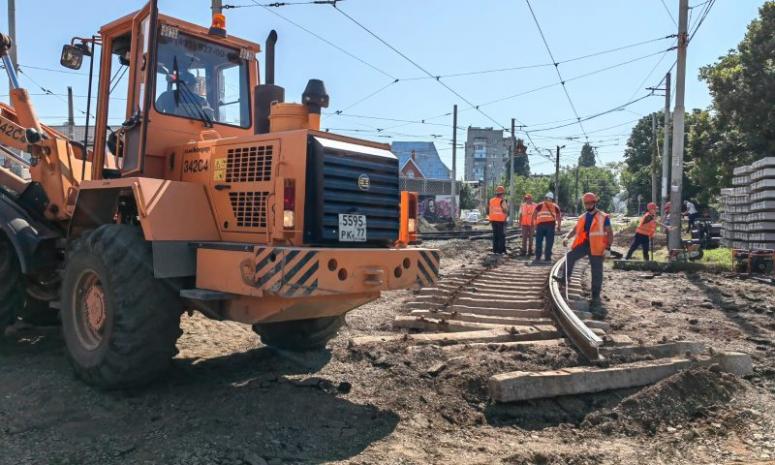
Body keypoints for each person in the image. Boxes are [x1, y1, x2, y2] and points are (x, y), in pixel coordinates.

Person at [560, 192, 614, 312]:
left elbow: (610, 232)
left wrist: (608, 248)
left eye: (590, 203)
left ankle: (595, 297)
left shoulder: (603, 217)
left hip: (598, 247)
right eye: (586, 203)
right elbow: (575, 229)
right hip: (585, 244)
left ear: (595, 202)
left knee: (596, 272)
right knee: (570, 256)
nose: (588, 205)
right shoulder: (583, 217)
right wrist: (567, 237)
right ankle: (564, 279)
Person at [532, 192, 562, 264]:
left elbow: (534, 215)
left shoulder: (539, 205)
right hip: (550, 226)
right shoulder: (555, 206)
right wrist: (559, 227)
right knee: (549, 242)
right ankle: (547, 258)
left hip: (540, 226)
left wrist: (535, 225)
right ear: (552, 199)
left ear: (545, 197)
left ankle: (538, 257)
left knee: (539, 241)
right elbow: (559, 218)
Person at [487, 185, 508, 254]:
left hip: (493, 220)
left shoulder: (491, 200)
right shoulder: (502, 201)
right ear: (502, 193)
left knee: (495, 235)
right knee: (501, 236)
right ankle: (500, 251)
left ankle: (495, 250)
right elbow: (505, 210)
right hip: (500, 220)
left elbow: (489, 210)